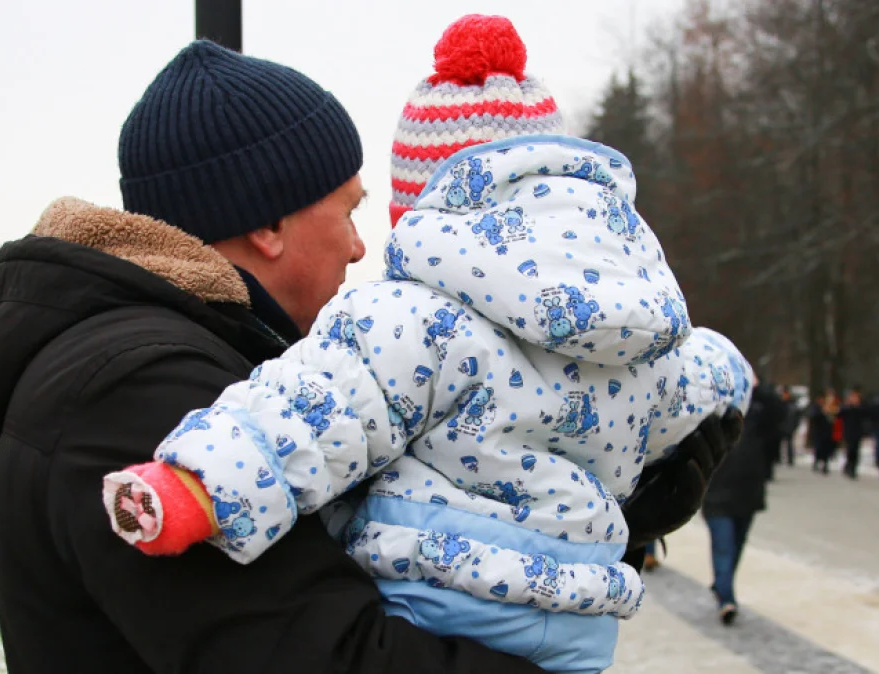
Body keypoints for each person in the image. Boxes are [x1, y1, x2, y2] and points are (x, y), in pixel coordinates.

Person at [100, 16, 750, 674]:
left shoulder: (410, 318)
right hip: (581, 624)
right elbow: (704, 379)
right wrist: (732, 384)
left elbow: (310, 413)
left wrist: (191, 489)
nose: (360, 245)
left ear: (425, 209)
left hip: (437, 597)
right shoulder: (644, 317)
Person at [0, 39, 559, 674]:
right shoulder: (146, 391)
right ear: (268, 224)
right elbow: (325, 657)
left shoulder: (172, 362)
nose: (357, 247)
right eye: (348, 209)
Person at [703, 380, 775, 625]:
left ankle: (722, 584)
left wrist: (759, 386)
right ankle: (727, 599)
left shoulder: (756, 418)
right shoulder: (709, 417)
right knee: (724, 546)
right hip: (716, 496)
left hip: (748, 494)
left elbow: (781, 413)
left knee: (736, 545)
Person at [839, 387, 871, 479]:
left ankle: (853, 468)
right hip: (848, 431)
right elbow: (840, 414)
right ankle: (848, 465)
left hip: (858, 431)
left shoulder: (862, 406)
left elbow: (867, 414)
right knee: (850, 449)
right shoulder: (846, 407)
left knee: (856, 450)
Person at [809, 389, 840, 474]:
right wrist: (822, 412)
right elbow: (814, 417)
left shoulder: (832, 407)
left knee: (827, 448)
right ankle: (817, 460)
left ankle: (825, 464)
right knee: (819, 447)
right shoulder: (817, 407)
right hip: (819, 432)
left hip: (828, 432)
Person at [779, 386, 801, 467]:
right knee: (779, 443)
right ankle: (779, 458)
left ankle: (790, 459)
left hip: (789, 426)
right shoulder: (780, 403)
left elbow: (797, 416)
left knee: (789, 443)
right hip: (781, 426)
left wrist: (795, 425)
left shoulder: (792, 404)